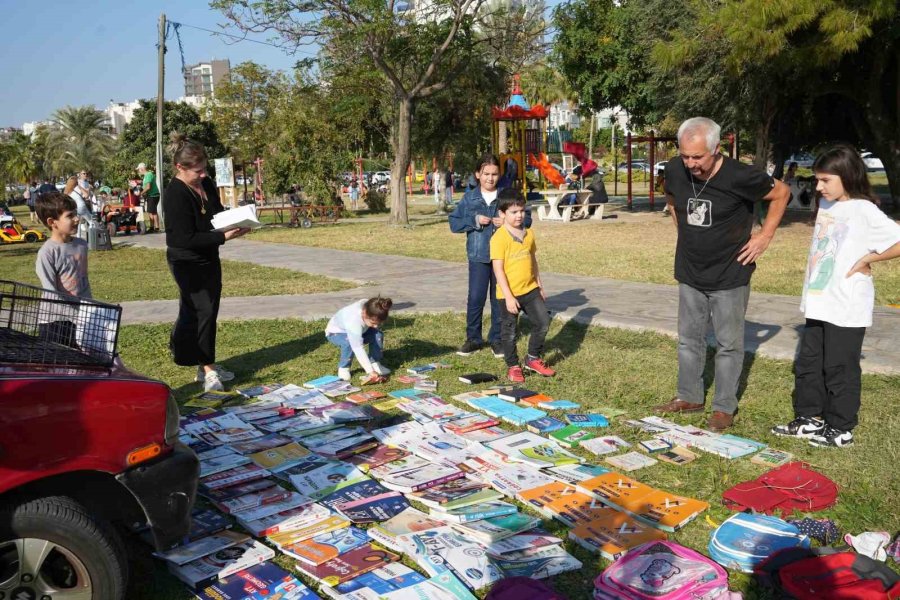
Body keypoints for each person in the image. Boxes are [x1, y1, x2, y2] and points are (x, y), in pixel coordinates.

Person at [656, 117, 790, 432]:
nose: (690, 163)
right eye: (685, 156)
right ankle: (689, 396)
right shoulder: (675, 169)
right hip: (690, 270)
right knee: (689, 339)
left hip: (730, 273)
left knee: (728, 344)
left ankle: (723, 407)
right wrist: (681, 228)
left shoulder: (741, 175)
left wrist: (765, 236)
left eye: (697, 157)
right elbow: (671, 197)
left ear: (716, 149)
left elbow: (782, 193)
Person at [771, 145, 900, 448]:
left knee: (840, 367)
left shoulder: (864, 209)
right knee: (809, 363)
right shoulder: (827, 204)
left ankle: (841, 428)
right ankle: (809, 418)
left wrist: (867, 259)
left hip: (847, 304)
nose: (818, 187)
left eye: (825, 180)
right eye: (817, 179)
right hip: (819, 301)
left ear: (847, 175)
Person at [163, 133, 250, 392]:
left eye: (204, 169)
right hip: (186, 260)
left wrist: (238, 220)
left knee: (204, 310)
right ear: (180, 167)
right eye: (197, 171)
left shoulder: (207, 183)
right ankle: (208, 369)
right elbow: (181, 238)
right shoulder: (174, 194)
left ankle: (198, 361)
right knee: (203, 311)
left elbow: (216, 214)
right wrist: (222, 237)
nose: (203, 175)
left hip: (208, 256)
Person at [449, 153, 532, 358]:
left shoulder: (506, 195)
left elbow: (527, 219)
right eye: (486, 174)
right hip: (478, 256)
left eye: (494, 174)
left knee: (498, 299)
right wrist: (474, 220)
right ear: (478, 174)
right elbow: (454, 223)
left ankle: (497, 339)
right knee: (475, 298)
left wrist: (508, 222)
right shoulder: (470, 198)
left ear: (499, 174)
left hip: (503, 258)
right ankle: (473, 339)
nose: (490, 178)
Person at [490, 188, 554, 383]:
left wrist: (539, 285)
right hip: (509, 294)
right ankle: (513, 366)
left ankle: (532, 358)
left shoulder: (529, 234)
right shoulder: (498, 238)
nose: (519, 215)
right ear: (502, 213)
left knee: (543, 322)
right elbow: (498, 270)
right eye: (513, 212)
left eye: (521, 211)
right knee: (509, 333)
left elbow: (533, 260)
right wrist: (509, 297)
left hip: (531, 290)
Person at [34, 192, 91, 347]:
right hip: (55, 322)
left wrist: (88, 308)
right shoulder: (47, 253)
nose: (77, 219)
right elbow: (50, 291)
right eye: (70, 216)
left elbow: (83, 280)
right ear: (52, 222)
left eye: (76, 214)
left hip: (82, 319)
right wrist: (73, 313)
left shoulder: (81, 245)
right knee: (56, 361)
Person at [325, 297, 393, 384]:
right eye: (373, 323)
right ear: (364, 313)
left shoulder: (371, 306)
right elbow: (358, 348)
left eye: (378, 323)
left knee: (378, 334)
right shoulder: (353, 319)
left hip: (361, 330)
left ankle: (375, 363)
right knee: (348, 343)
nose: (376, 326)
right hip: (336, 333)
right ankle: (344, 368)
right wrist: (370, 371)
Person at [64, 176, 93, 241]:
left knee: (78, 223)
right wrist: (87, 188)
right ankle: (93, 236)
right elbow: (86, 195)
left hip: (75, 207)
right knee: (91, 221)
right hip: (81, 206)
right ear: (76, 182)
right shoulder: (77, 188)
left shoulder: (67, 190)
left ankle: (78, 237)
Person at [138, 162, 161, 233]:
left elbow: (148, 187)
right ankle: (152, 227)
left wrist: (141, 193)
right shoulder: (146, 176)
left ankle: (156, 228)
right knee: (150, 212)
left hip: (153, 195)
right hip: (151, 195)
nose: (139, 171)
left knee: (153, 212)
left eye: (139, 169)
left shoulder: (148, 175)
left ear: (142, 169)